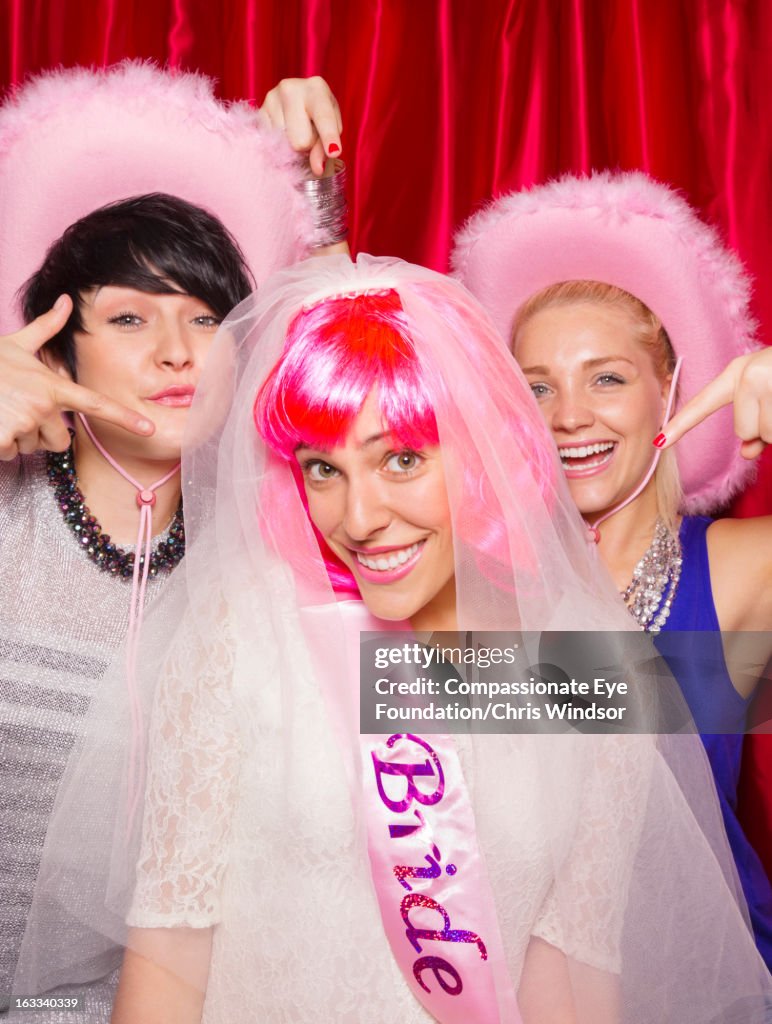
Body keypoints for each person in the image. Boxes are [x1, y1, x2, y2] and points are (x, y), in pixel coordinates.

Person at [48, 255, 770, 1023]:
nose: (359, 518)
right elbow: (169, 965)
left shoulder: (588, 667)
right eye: (323, 469)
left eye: (401, 459)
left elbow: (571, 980)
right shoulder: (249, 634)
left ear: (488, 449)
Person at [0, 61, 345, 1020]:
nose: (176, 352)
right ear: (53, 343)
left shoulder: (290, 543)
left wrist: (315, 198)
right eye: (126, 318)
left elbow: (553, 683)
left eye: (206, 318)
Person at [451, 169, 772, 966]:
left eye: (607, 378)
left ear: (669, 392)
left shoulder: (735, 570)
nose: (569, 416)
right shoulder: (455, 579)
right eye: (537, 386)